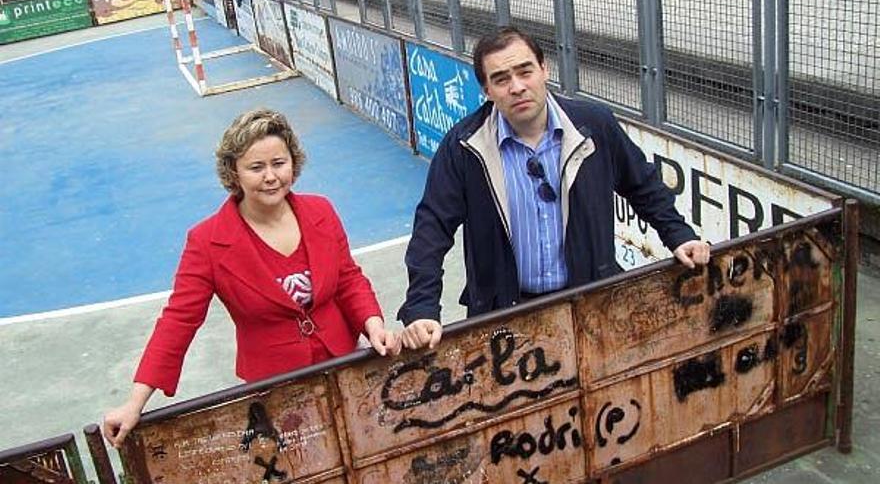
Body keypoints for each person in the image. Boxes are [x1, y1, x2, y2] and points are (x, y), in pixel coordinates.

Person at [398, 27, 710, 350]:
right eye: (502, 79)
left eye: (525, 71)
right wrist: (422, 307)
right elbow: (432, 227)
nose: (517, 87)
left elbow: (643, 185)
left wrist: (679, 235)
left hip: (592, 306)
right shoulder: (463, 146)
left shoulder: (595, 126)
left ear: (544, 70)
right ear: (486, 90)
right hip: (504, 318)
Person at [104, 108, 400, 447]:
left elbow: (348, 279)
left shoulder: (322, 211)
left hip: (346, 364)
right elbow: (178, 322)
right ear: (234, 172)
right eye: (256, 167)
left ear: (294, 162)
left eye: (279, 163)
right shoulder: (207, 242)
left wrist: (374, 326)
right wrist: (135, 402)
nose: (271, 176)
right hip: (276, 388)